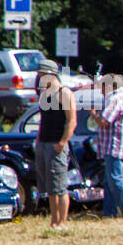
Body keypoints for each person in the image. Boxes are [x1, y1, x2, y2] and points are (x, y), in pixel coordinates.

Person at [90, 72, 123, 219]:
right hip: (119, 145)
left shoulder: (115, 100)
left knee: (115, 180)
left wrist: (93, 114)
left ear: (110, 86)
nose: (101, 90)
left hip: (115, 146)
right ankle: (109, 212)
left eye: (103, 86)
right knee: (109, 180)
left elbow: (104, 122)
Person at [34, 60, 76, 229]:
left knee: (60, 185)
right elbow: (43, 120)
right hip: (43, 143)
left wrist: (62, 142)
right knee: (50, 186)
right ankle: (54, 220)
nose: (40, 78)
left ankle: (63, 222)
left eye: (43, 75)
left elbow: (71, 121)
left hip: (56, 143)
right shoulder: (44, 94)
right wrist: (38, 140)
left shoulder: (64, 93)